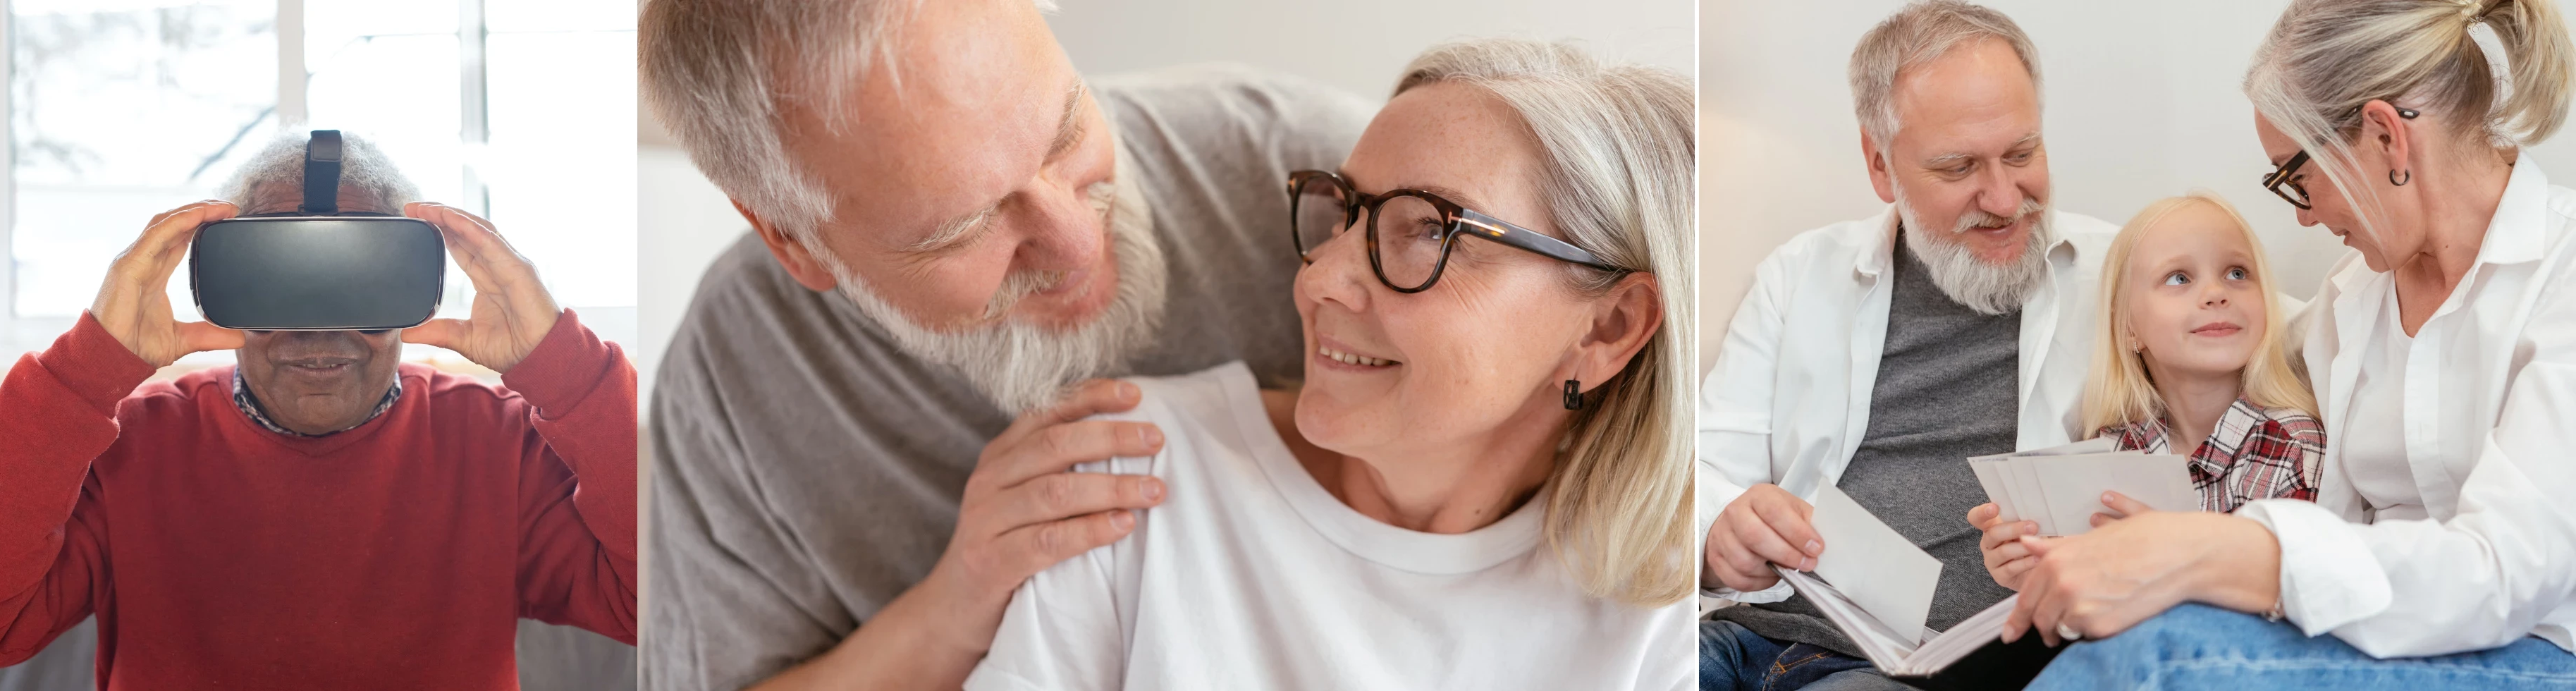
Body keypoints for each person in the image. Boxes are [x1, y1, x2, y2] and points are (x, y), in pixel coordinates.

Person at [635, 0, 1371, 688]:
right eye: (963, 227)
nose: (1079, 245)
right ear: (791, 240)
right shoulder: (735, 375)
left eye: (1068, 130)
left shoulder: (1328, 187)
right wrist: (950, 611)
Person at [963, 39, 1695, 690]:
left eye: (1429, 231)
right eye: (1345, 212)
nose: (1316, 280)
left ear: (1607, 326)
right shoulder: (1135, 467)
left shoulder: (1657, 611)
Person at [2009, 0, 2576, 686]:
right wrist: (2062, 523)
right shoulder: (2352, 296)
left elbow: (2503, 573)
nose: (2304, 214)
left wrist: (2211, 550)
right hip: (2371, 642)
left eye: (2294, 177)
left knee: (2154, 656)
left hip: (2539, 648)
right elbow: (2225, 358)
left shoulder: (2562, 275)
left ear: (2385, 137)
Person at [0, 133, 636, 687]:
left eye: (361, 277)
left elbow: (650, 604)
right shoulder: (126, 445)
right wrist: (81, 375)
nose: (319, 329)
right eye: (277, 277)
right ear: (220, 285)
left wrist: (568, 370)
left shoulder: (499, 444)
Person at [1693, 1, 2121, 689]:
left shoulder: (2128, 276)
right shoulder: (1798, 274)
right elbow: (1707, 471)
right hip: (1749, 628)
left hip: (1913, 669)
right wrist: (1719, 536)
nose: (2006, 198)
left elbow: (2281, 334)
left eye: (2021, 153)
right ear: (1880, 167)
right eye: (1958, 168)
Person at [1970, 193, 2326, 594]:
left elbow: (2289, 603)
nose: (2216, 293)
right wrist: (2037, 571)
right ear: (2129, 328)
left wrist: (2163, 562)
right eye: (2179, 278)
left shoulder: (2293, 445)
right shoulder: (2111, 450)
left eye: (2238, 274)